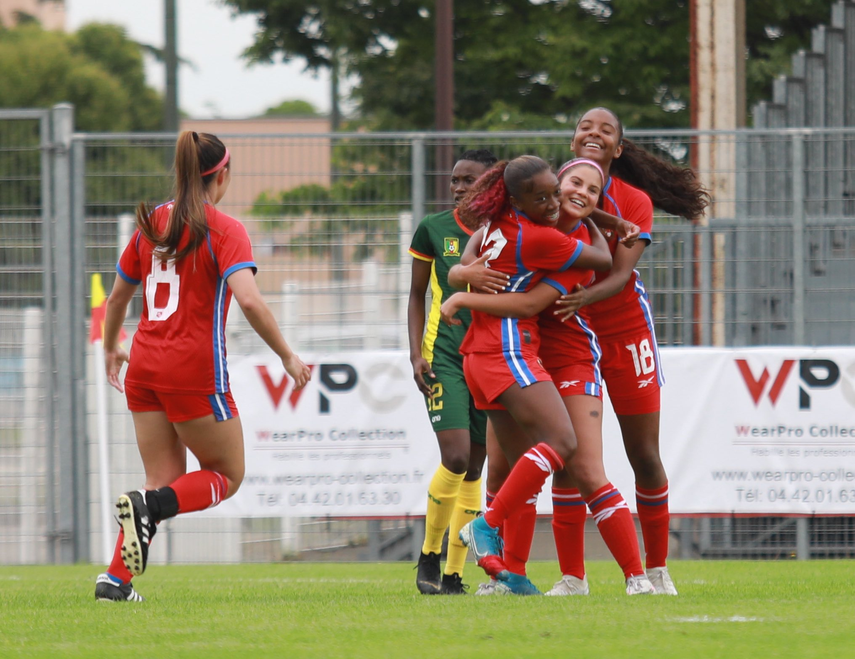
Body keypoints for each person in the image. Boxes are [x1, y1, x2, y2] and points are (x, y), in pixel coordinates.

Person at [94, 131, 311, 602]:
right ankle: (147, 509)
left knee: (162, 479)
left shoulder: (154, 222)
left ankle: (115, 580)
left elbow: (116, 298)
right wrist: (287, 355)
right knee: (226, 475)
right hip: (193, 371)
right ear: (223, 175)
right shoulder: (224, 228)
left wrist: (111, 346)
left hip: (144, 366)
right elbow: (249, 301)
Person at [443, 159, 654, 596]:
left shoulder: (541, 232)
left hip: (563, 359)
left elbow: (534, 300)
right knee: (513, 467)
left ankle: (637, 577)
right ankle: (516, 572)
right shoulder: (540, 234)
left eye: (593, 191)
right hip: (514, 356)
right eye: (571, 183)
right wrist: (463, 278)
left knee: (582, 467)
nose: (576, 194)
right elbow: (477, 274)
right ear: (553, 186)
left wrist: (461, 288)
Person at [551, 107, 711, 595]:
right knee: (569, 455)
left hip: (624, 333)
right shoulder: (547, 191)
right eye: (585, 126)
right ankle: (572, 578)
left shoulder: (635, 200)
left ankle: (657, 569)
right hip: (571, 334)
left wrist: (578, 297)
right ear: (574, 139)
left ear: (618, 149)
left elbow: (619, 275)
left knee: (643, 453)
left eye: (606, 130)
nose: (593, 133)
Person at [408, 149, 498, 595]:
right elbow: (416, 295)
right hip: (444, 356)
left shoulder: (506, 231)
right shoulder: (434, 228)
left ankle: (455, 574)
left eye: (470, 180)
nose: (459, 187)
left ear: (491, 185)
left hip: (490, 357)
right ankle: (429, 552)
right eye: (455, 180)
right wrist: (414, 355)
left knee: (477, 468)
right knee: (457, 457)